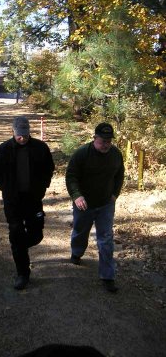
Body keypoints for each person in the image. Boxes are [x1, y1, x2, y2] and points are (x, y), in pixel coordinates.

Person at [0, 116, 55, 290]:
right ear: (13, 132)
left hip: (33, 199)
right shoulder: (3, 150)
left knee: (36, 235)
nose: (22, 138)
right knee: (16, 231)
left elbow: (49, 169)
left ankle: (18, 247)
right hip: (13, 201)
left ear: (29, 132)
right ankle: (22, 273)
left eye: (25, 134)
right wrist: (5, 188)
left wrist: (43, 187)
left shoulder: (40, 148)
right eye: (19, 135)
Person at [65, 122, 124, 293]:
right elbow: (71, 176)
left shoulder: (115, 154)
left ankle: (108, 276)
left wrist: (115, 194)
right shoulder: (82, 154)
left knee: (105, 238)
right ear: (94, 138)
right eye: (102, 140)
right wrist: (77, 195)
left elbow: (120, 174)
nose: (106, 144)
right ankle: (76, 252)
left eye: (109, 141)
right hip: (84, 204)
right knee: (80, 231)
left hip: (106, 203)